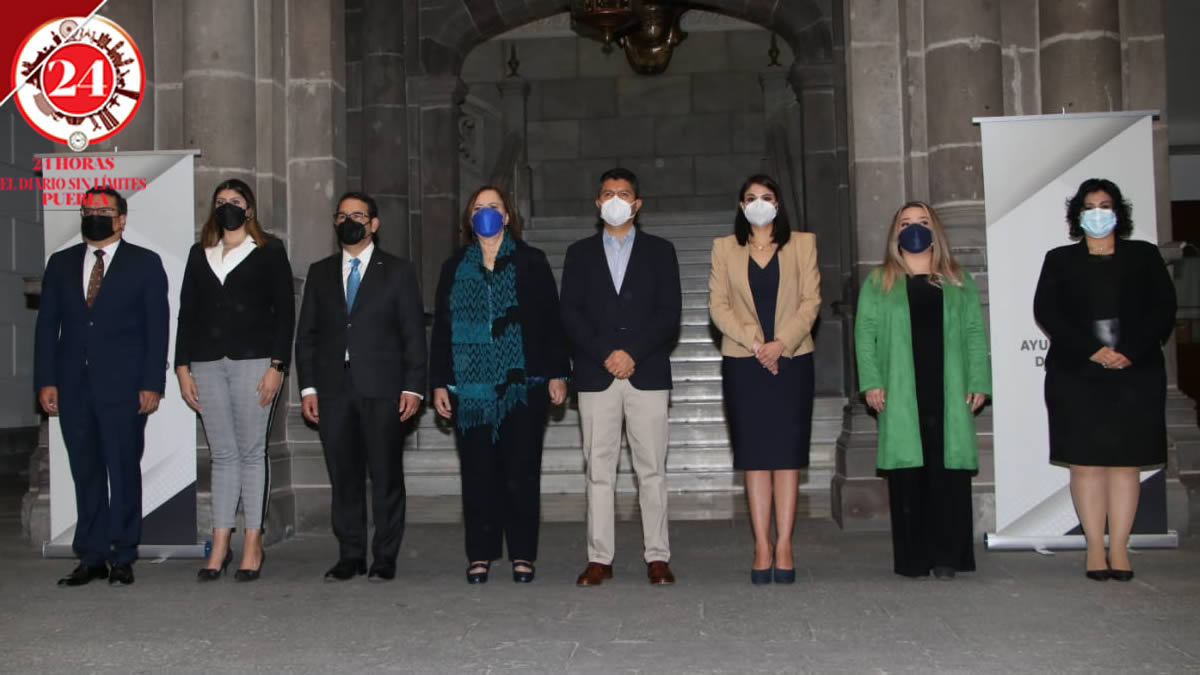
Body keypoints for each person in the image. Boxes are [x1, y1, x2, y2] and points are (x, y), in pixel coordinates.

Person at [1033, 178, 1176, 582]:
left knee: (1125, 465)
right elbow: (1048, 311)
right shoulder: (1059, 259)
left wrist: (1130, 349)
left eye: (1105, 204)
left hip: (1136, 370)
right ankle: (1095, 547)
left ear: (1118, 211)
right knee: (1086, 463)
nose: (1098, 212)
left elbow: (1162, 308)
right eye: (1090, 206)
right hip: (1077, 373)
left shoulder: (1144, 256)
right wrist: (1091, 350)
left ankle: (1120, 548)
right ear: (1078, 215)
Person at [429, 186, 570, 584]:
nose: (487, 213)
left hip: (523, 386)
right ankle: (481, 553)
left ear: (507, 217)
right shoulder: (454, 267)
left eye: (494, 207)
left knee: (522, 471)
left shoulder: (532, 262)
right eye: (479, 208)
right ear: (468, 219)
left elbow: (550, 321)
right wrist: (438, 381)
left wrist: (559, 372)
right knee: (477, 473)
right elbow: (443, 327)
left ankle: (523, 554)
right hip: (470, 390)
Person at [34, 186, 169, 587]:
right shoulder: (60, 263)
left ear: (121, 218)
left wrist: (152, 384)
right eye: (87, 208)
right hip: (73, 387)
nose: (93, 214)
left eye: (102, 209)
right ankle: (91, 556)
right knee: (86, 472)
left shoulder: (145, 263)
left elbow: (156, 329)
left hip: (126, 388)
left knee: (123, 470)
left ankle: (122, 554)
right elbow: (46, 328)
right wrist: (46, 380)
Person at [295, 191, 427, 582]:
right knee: (344, 475)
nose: (348, 221)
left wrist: (414, 386)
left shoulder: (399, 271)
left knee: (386, 475)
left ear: (373, 224)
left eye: (357, 215)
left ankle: (384, 555)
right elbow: (307, 336)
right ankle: (350, 554)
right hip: (334, 390)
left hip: (383, 388)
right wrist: (308, 389)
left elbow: (413, 333)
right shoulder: (320, 272)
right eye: (341, 215)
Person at [854, 201, 990, 580]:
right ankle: (914, 557)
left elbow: (975, 333)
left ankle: (949, 556)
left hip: (949, 386)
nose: (914, 228)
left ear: (936, 230)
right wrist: (871, 381)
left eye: (922, 221)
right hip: (901, 388)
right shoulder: (879, 281)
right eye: (906, 222)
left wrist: (979, 379)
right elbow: (865, 335)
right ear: (896, 232)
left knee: (948, 472)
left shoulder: (957, 278)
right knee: (909, 473)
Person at [560, 167, 682, 586]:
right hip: (596, 375)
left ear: (637, 203)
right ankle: (600, 558)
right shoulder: (578, 253)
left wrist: (632, 353)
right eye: (607, 193)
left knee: (652, 470)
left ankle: (657, 556)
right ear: (598, 203)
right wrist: (605, 354)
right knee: (599, 469)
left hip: (646, 371)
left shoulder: (661, 251)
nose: (615, 199)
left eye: (623, 193)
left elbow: (669, 314)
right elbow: (570, 315)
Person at [175, 179, 294, 582]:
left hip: (255, 361)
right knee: (222, 454)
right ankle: (220, 543)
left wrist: (277, 366)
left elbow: (284, 312)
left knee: (251, 451)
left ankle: (253, 542)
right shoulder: (199, 254)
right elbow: (186, 312)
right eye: (221, 201)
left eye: (235, 201)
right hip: (206, 363)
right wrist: (181, 367)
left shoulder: (269, 251)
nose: (227, 206)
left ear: (250, 210)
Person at [708, 174, 820, 585]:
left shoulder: (802, 244)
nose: (759, 203)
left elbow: (811, 302)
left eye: (766, 197)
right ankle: (761, 544)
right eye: (751, 198)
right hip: (744, 361)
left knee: (787, 457)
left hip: (792, 360)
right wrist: (758, 343)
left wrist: (781, 344)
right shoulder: (725, 249)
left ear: (778, 203)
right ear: (741, 206)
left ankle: (785, 543)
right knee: (754, 456)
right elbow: (718, 306)